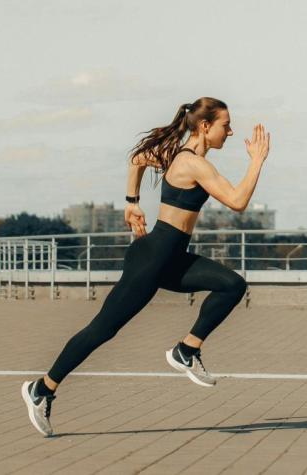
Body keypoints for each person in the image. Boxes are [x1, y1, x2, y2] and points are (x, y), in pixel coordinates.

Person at [22, 97, 270, 436]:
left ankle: (187, 350)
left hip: (171, 258)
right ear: (205, 126)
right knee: (102, 330)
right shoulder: (192, 163)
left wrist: (132, 203)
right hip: (152, 260)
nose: (230, 131)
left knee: (232, 285)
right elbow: (238, 202)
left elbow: (137, 159)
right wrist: (257, 161)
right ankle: (42, 388)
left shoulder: (178, 156)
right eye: (225, 125)